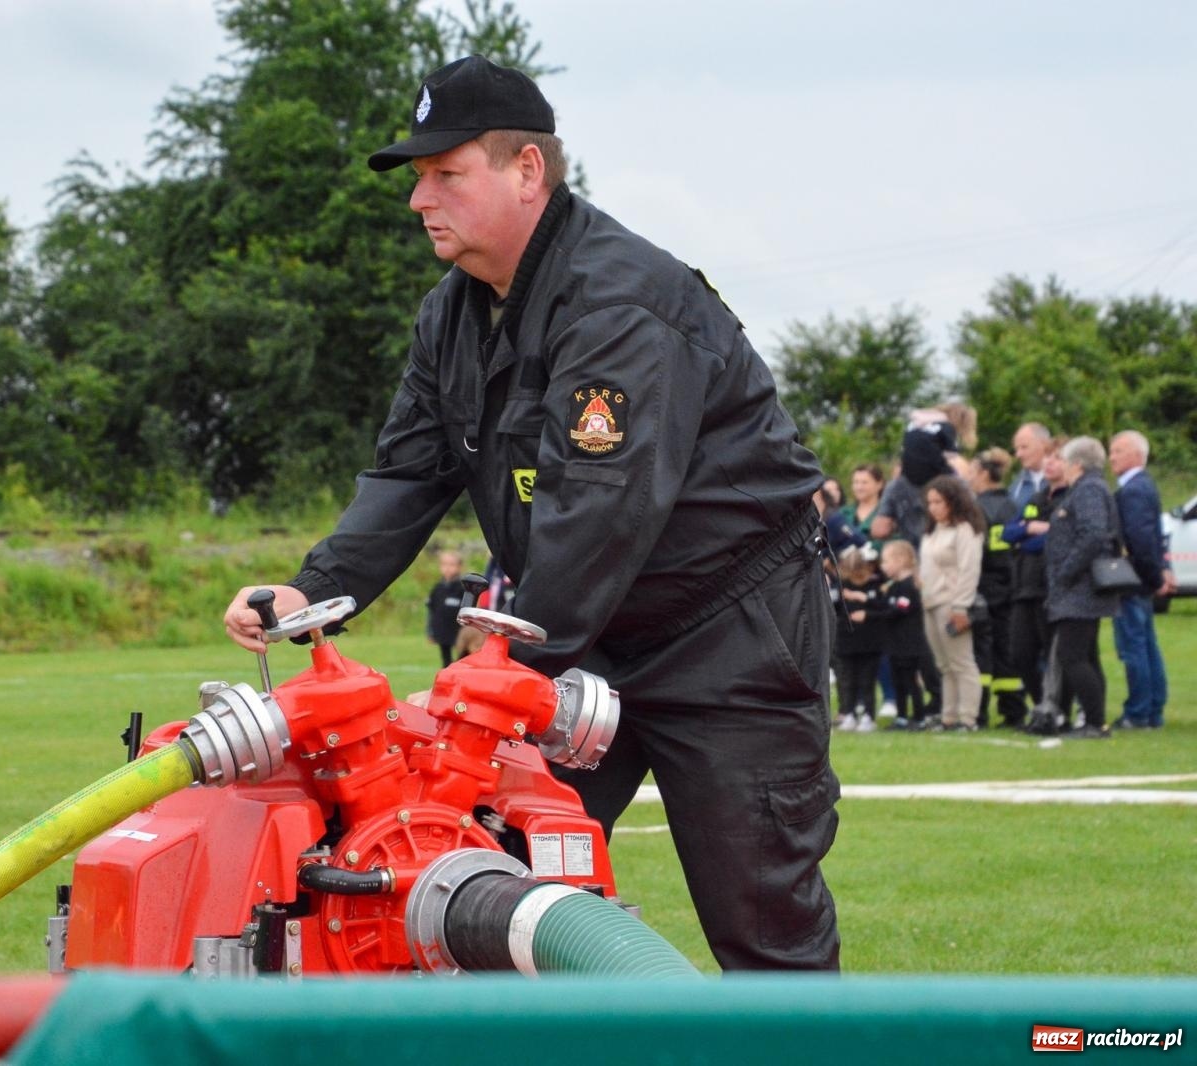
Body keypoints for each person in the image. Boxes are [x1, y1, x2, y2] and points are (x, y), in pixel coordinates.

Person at [222, 55, 840, 970]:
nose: (418, 200)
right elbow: (407, 475)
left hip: (726, 636)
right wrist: (314, 589)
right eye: (418, 177)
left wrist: (496, 673)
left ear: (526, 172)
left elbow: (602, 512)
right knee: (484, 880)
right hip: (584, 632)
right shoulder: (451, 314)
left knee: (761, 920)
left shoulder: (621, 300)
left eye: (445, 173)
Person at [1044, 436, 1120, 739]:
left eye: (1062, 459)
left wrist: (1066, 570)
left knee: (1071, 655)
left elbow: (1092, 534)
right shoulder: (1088, 488)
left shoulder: (1088, 489)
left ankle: (1094, 722)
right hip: (1078, 586)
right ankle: (1095, 720)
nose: (1059, 464)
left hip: (1082, 587)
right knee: (1086, 656)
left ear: (1076, 463)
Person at [1108, 430, 1176, 729]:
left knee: (1133, 646)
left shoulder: (1133, 490)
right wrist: (1160, 571)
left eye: (1119, 451)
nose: (1112, 456)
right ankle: (1153, 708)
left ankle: (1139, 711)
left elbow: (1140, 539)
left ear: (1138, 454)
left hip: (1131, 580)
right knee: (1147, 644)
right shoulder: (1144, 486)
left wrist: (1152, 575)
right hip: (1142, 579)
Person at [1002, 436, 1067, 708]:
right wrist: (1029, 528)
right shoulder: (1037, 497)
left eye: (1056, 458)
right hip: (1024, 585)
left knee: (1057, 655)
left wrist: (1028, 535)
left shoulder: (1073, 497)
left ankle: (1061, 709)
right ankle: (1041, 705)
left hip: (1051, 586)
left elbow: (1057, 537)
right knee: (1019, 654)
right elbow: (1008, 532)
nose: (1049, 463)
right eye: (1048, 457)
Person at [919, 475, 986, 730]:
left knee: (961, 661)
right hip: (930, 601)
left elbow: (969, 569)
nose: (933, 507)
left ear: (953, 502)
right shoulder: (933, 530)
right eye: (930, 502)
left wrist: (961, 606)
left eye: (939, 502)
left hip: (951, 602)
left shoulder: (965, 530)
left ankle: (968, 717)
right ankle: (949, 717)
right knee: (944, 665)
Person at [968, 448, 1025, 728]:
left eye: (971, 471)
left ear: (982, 474)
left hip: (984, 586)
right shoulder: (1013, 504)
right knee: (1007, 650)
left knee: (981, 652)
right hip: (1011, 585)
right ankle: (1013, 710)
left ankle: (978, 711)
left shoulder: (976, 508)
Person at [863, 540, 942, 730]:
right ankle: (901, 717)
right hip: (895, 644)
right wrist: (865, 599)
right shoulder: (893, 586)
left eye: (886, 561)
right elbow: (885, 604)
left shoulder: (909, 586)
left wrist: (869, 616)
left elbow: (898, 610)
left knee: (911, 682)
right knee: (898, 682)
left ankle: (919, 717)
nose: (883, 566)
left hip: (910, 645)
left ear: (900, 560)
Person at [833, 546, 885, 733]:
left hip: (870, 642)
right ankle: (848, 713)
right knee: (847, 679)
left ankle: (869, 715)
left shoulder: (875, 586)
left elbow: (882, 609)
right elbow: (833, 607)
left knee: (867, 680)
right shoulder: (839, 586)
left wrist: (865, 607)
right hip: (846, 641)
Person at [425, 549, 467, 667]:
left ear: (459, 567)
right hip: (442, 631)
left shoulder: (463, 588)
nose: (447, 568)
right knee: (445, 659)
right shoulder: (437, 588)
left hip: (459, 631)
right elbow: (431, 610)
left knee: (462, 657)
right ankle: (447, 678)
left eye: (452, 565)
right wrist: (430, 631)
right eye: (444, 564)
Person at [1009, 422, 1051, 507]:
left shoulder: (1064, 481)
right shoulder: (1016, 486)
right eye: (1016, 449)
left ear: (1044, 445)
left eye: (1024, 447)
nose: (1018, 454)